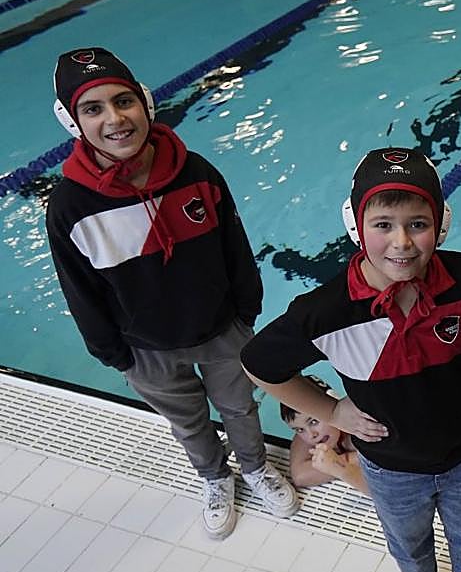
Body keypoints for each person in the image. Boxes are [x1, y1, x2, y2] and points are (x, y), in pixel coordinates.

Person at [241, 148, 461, 572]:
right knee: (408, 541)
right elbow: (260, 364)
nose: (401, 243)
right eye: (383, 224)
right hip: (390, 462)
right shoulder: (327, 311)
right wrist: (334, 411)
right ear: (357, 226)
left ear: (441, 224)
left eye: (417, 223)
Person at [45, 47, 299, 540]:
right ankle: (215, 477)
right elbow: (79, 291)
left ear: (145, 103)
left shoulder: (196, 172)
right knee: (187, 422)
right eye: (93, 109)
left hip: (224, 329)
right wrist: (116, 355)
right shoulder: (70, 205)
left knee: (240, 407)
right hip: (145, 348)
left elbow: (235, 247)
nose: (115, 119)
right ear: (72, 121)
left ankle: (252, 467)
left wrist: (246, 313)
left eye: (123, 102)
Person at [280, 375, 368, 494]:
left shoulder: (363, 426)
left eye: (313, 422)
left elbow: (386, 494)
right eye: (299, 429)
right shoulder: (312, 433)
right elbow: (300, 476)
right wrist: (352, 459)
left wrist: (337, 466)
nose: (312, 435)